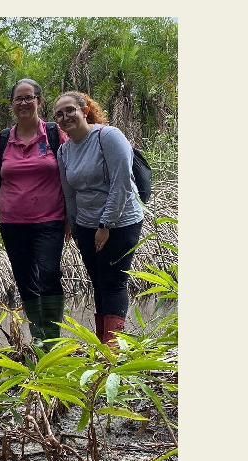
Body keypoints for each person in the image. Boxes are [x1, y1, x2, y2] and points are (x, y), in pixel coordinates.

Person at [53, 91, 144, 346]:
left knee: (113, 281)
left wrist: (106, 225)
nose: (65, 117)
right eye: (59, 114)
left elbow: (122, 183)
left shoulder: (108, 136)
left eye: (70, 110)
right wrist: (77, 229)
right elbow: (69, 194)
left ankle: (113, 349)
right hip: (86, 225)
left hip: (121, 221)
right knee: (98, 281)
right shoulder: (64, 151)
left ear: (84, 110)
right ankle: (102, 342)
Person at [0, 79, 69, 350]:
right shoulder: (1, 140)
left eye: (28, 98)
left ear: (39, 101)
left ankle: (53, 340)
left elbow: (69, 175)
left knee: (48, 274)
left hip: (51, 219)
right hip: (13, 223)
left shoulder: (55, 134)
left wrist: (69, 216)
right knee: (25, 278)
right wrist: (10, 203)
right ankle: (39, 338)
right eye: (18, 99)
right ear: (11, 104)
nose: (23, 103)